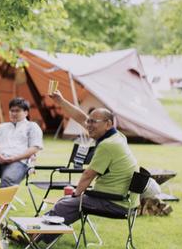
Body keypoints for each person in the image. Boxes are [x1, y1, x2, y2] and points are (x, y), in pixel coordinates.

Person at [43, 89, 138, 240]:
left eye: (93, 122)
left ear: (107, 124)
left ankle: (36, 235)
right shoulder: (117, 136)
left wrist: (75, 194)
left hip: (115, 202)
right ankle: (43, 235)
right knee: (69, 203)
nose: (88, 125)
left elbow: (88, 175)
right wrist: (60, 101)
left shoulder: (107, 145)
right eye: (89, 121)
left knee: (65, 204)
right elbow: (81, 118)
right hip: (123, 199)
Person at [0, 97, 43, 187]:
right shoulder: (2, 127)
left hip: (20, 162)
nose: (14, 113)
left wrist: (13, 159)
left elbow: (34, 148)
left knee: (8, 178)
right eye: (12, 110)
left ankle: (2, 201)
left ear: (26, 112)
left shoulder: (32, 126)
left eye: (17, 111)